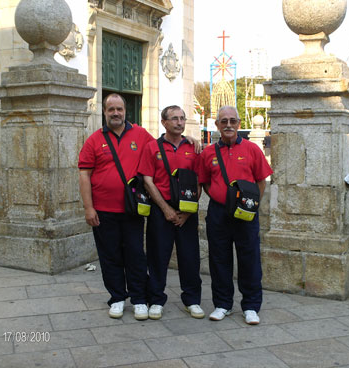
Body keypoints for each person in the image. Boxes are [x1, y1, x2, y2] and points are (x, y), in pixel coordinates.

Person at [78, 93, 154, 321]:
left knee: (135, 255)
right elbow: (84, 175)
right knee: (109, 256)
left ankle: (139, 299)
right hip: (103, 211)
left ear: (125, 110)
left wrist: (188, 139)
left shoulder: (140, 135)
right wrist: (88, 208)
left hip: (132, 211)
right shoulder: (94, 140)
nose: (115, 113)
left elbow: (160, 151)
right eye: (110, 109)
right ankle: (117, 298)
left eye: (119, 109)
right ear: (104, 112)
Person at [198, 106, 273, 325]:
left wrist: (251, 205)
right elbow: (204, 182)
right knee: (219, 259)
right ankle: (223, 304)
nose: (228, 125)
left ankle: (250, 306)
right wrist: (222, 200)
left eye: (232, 121)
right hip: (218, 213)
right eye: (224, 121)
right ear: (217, 125)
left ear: (239, 124)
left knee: (249, 259)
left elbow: (261, 180)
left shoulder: (252, 149)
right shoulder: (208, 153)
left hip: (246, 214)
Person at [138, 105, 204, 320]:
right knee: (157, 257)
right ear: (164, 122)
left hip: (187, 212)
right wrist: (165, 209)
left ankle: (192, 300)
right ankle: (156, 300)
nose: (179, 122)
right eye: (174, 118)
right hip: (161, 211)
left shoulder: (193, 147)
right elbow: (147, 180)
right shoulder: (151, 147)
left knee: (190, 258)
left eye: (182, 118)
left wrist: (188, 211)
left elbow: (199, 181)